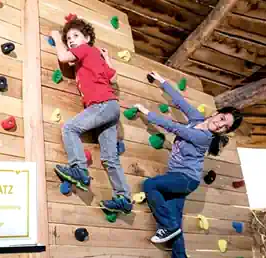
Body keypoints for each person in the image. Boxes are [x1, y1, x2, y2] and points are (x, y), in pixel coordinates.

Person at [134, 71, 243, 258]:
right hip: (177, 177)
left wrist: (146, 112)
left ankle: (167, 226)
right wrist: (161, 80)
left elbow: (175, 128)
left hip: (186, 179)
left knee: (150, 185)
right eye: (222, 119)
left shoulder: (204, 138)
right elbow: (180, 101)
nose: (219, 125)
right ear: (217, 113)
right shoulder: (197, 119)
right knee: (176, 225)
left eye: (225, 127)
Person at [50, 16, 133, 214]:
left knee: (70, 128)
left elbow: (63, 57)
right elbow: (114, 78)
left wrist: (56, 37)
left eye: (75, 36)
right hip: (110, 108)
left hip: (102, 105)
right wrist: (107, 59)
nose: (71, 40)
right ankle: (124, 198)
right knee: (110, 158)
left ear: (87, 39)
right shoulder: (92, 56)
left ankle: (79, 169)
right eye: (68, 38)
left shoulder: (85, 50)